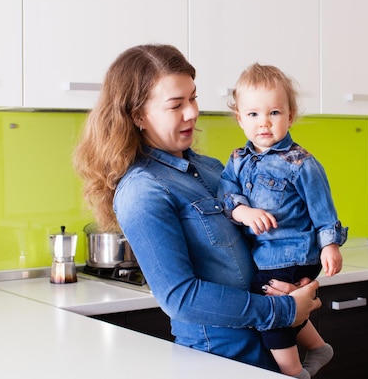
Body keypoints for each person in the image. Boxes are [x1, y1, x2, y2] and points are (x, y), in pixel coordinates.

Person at [73, 44, 321, 372]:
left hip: (270, 347)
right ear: (138, 116)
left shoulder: (213, 168)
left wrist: (288, 284)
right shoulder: (142, 191)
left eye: (193, 97)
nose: (192, 112)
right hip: (219, 358)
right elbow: (179, 297)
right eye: (176, 105)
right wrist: (283, 311)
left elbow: (256, 248)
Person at [218, 63, 348, 379]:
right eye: (253, 115)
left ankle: (291, 373)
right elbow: (226, 194)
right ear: (240, 119)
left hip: (294, 252)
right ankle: (318, 348)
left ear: (290, 116)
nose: (263, 122)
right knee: (284, 303)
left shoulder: (301, 163)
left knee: (269, 311)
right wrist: (242, 212)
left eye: (274, 113)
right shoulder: (237, 159)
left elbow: (323, 208)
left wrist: (330, 245)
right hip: (265, 256)